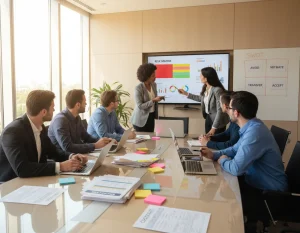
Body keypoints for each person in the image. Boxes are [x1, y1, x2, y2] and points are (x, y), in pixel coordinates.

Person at [200, 91, 288, 227]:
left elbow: (236, 169)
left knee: (218, 201)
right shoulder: (252, 126)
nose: (227, 111)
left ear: (236, 113)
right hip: (257, 184)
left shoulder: (254, 132)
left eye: (229, 108)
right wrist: (214, 155)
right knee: (222, 191)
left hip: (269, 194)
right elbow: (235, 149)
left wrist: (222, 159)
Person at [0, 90, 87, 182]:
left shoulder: (40, 127)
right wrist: (61, 166)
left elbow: (54, 152)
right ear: (44, 112)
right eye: (52, 107)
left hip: (35, 180)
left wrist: (71, 156)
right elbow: (22, 168)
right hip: (11, 186)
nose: (54, 110)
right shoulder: (13, 131)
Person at [48, 89, 112, 155]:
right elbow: (68, 147)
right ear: (78, 105)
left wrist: (105, 141)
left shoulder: (77, 117)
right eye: (85, 102)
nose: (86, 104)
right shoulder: (60, 120)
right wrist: (95, 145)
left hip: (78, 156)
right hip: (65, 159)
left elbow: (86, 137)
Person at [178, 67, 229, 135]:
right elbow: (201, 99)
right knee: (208, 141)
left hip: (217, 121)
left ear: (206, 78)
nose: (200, 77)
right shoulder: (206, 88)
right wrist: (185, 93)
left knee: (216, 142)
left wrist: (214, 128)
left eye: (201, 75)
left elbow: (220, 111)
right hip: (208, 118)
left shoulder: (217, 90)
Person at [131, 63, 164, 132]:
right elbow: (140, 106)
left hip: (151, 116)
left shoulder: (154, 85)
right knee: (141, 141)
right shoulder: (138, 88)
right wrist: (153, 100)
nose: (155, 77)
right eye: (153, 76)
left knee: (151, 140)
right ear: (146, 77)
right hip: (140, 119)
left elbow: (153, 99)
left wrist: (158, 99)